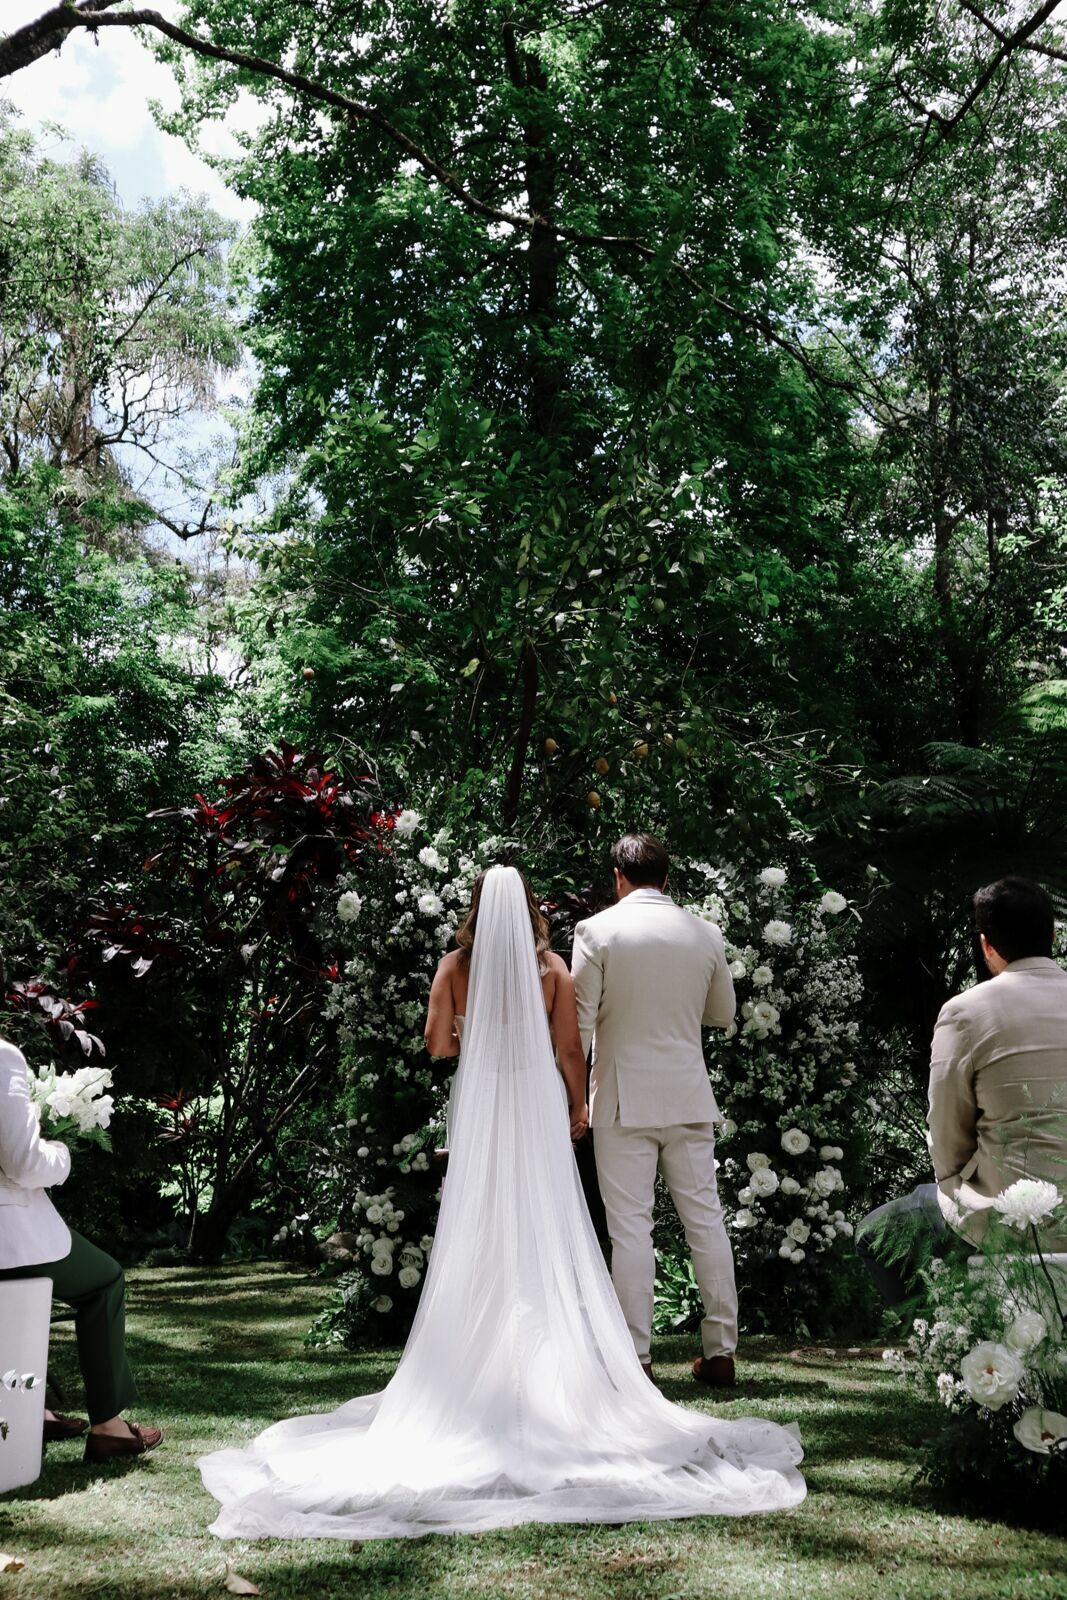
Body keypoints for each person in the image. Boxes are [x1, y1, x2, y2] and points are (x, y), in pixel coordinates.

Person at [199, 865, 804, 1539]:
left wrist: (468, 1030)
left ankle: (478, 1350)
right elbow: (569, 1048)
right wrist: (576, 1105)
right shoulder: (552, 972)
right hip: (538, 1103)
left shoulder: (455, 968)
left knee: (483, 1222)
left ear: (475, 908)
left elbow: (436, 1047)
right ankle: (616, 1349)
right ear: (532, 913)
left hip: (482, 1107)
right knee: (548, 1223)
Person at [571, 834, 739, 1388]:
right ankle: (720, 1353)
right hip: (689, 1094)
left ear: (618, 877)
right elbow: (721, 1014)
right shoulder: (705, 933)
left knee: (631, 1231)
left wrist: (571, 1094)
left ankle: (637, 1356)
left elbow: (580, 1025)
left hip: (622, 1099)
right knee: (706, 1222)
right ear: (667, 878)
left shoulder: (597, 931)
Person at [856, 875, 1067, 1304]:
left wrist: (957, 1189)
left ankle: (946, 1345)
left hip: (1005, 1214)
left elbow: (948, 1135)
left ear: (987, 945)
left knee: (875, 1234)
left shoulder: (967, 1012)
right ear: (1053, 933)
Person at [0, 1035, 162, 1461]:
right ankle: (109, 1426)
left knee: (19, 1306)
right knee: (103, 1281)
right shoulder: (2, 1056)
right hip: (8, 1233)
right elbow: (23, 1162)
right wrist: (60, 1153)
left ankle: (30, 1410)